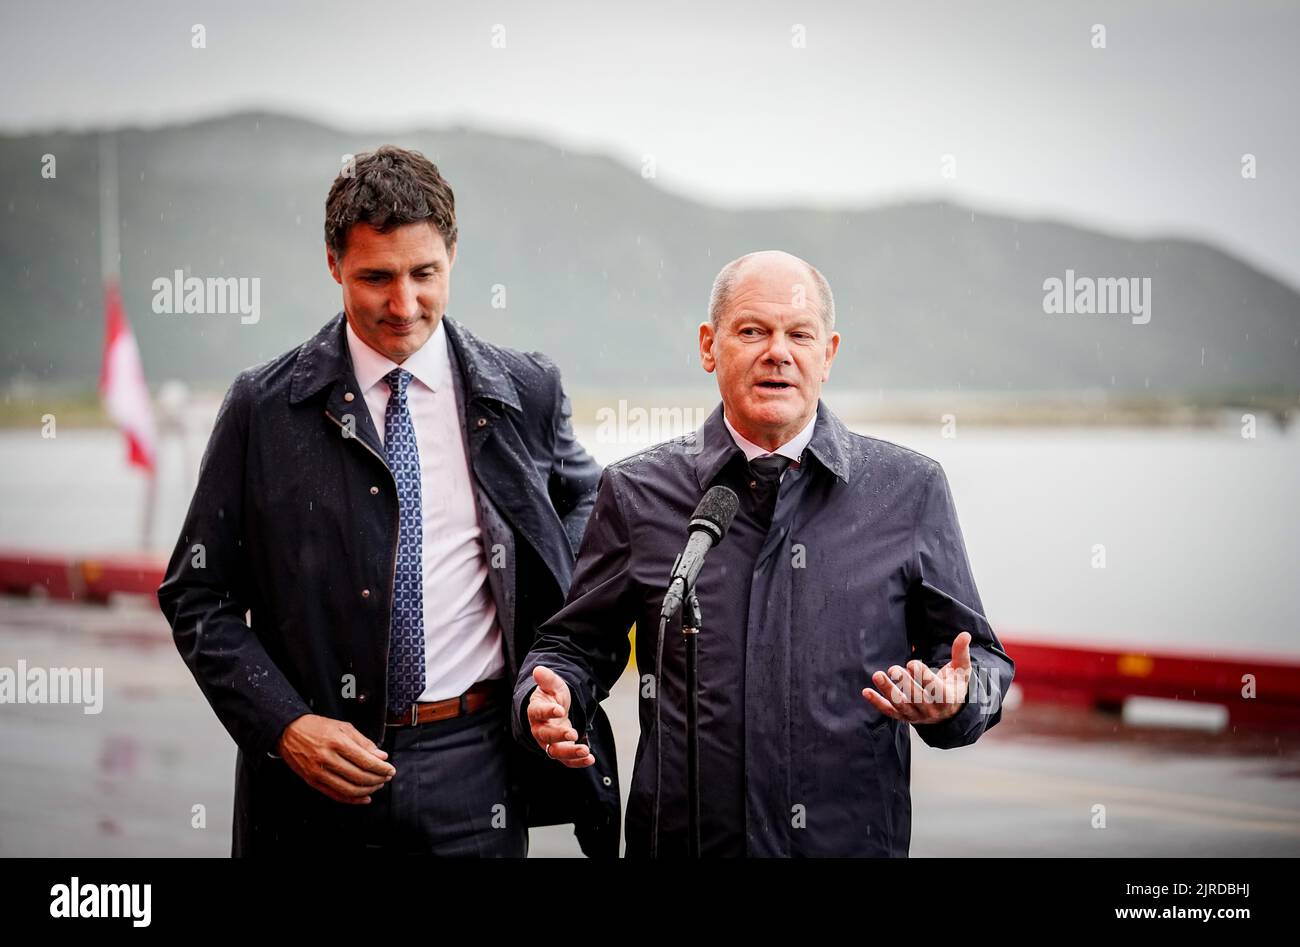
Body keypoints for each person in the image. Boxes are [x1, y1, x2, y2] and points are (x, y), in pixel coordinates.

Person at [157, 145, 618, 856]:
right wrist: (284, 725)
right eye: (376, 277)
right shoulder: (264, 408)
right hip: (308, 786)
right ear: (334, 263)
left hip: (479, 769)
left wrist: (561, 668)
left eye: (423, 274)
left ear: (453, 256)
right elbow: (196, 595)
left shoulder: (527, 392)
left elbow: (595, 526)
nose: (404, 305)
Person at [514, 250, 1014, 857]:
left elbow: (983, 664)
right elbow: (573, 646)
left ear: (827, 355)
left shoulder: (908, 491)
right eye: (753, 331)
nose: (778, 351)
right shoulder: (638, 492)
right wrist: (547, 695)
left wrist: (956, 699)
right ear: (709, 346)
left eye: (799, 335)